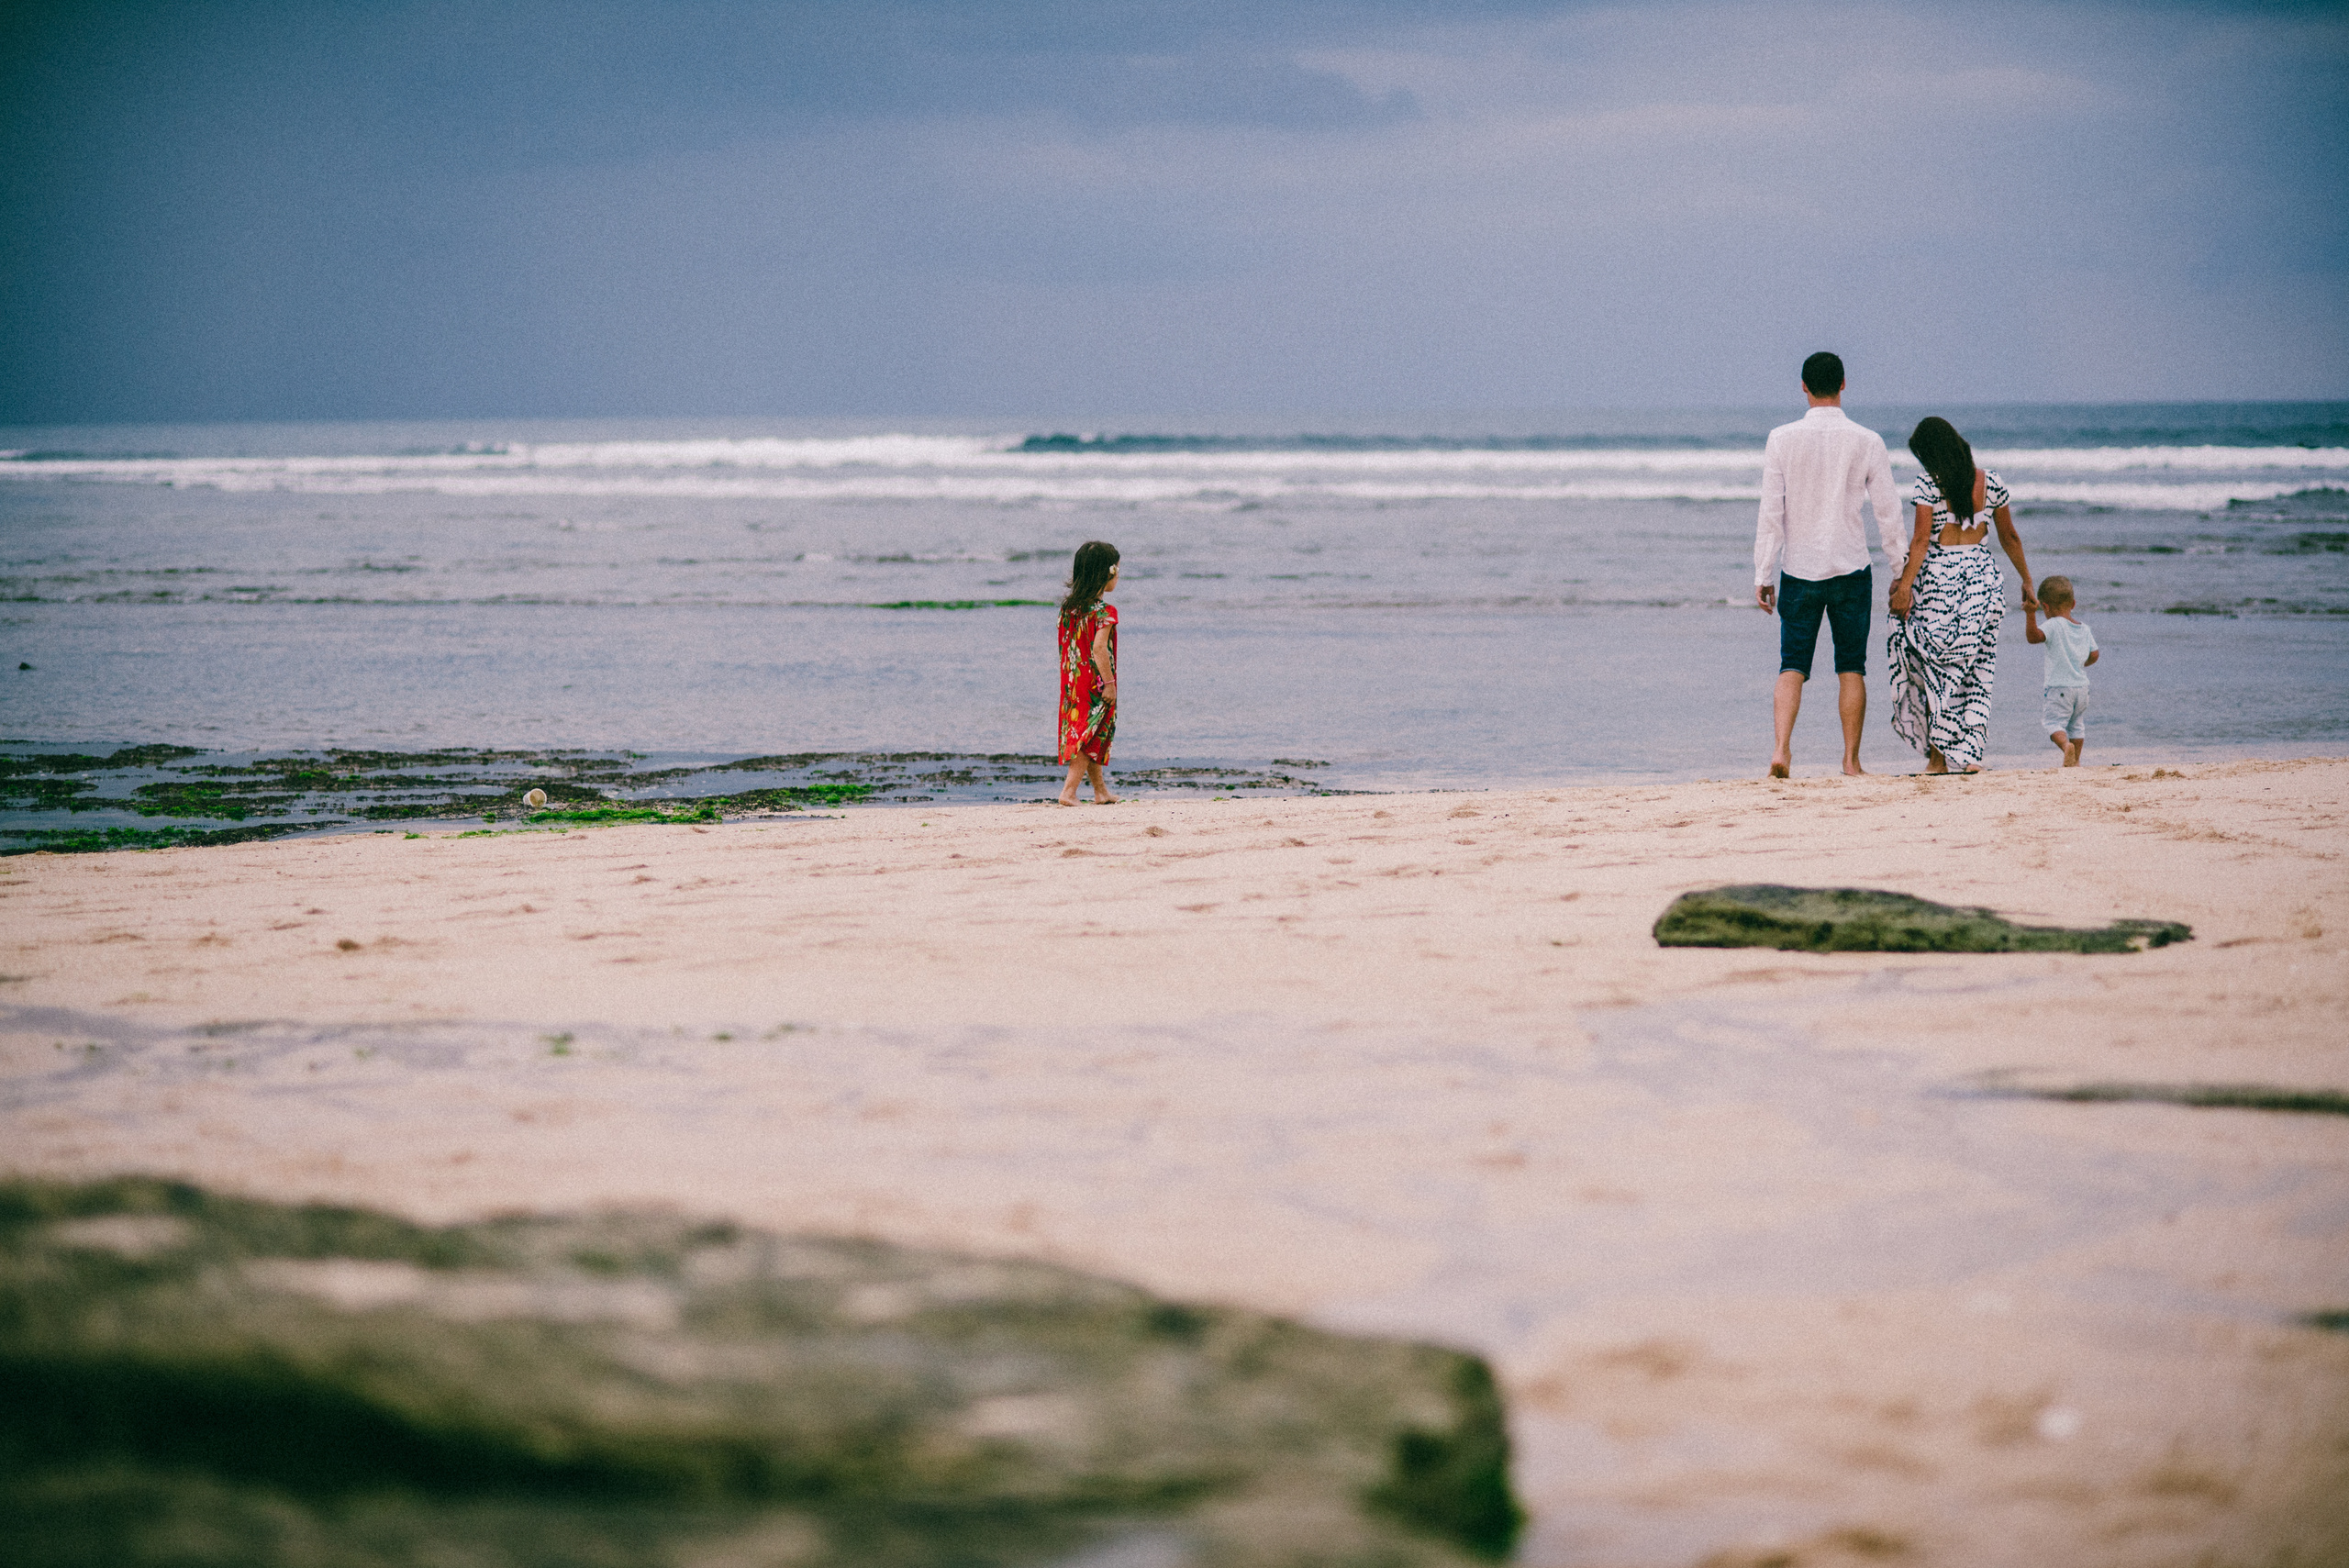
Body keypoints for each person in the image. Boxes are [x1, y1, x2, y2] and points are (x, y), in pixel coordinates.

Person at [1754, 350, 1902, 777]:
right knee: (1851, 666)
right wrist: (1899, 570)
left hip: (1799, 569)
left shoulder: (1781, 438)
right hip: (1851, 568)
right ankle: (1851, 761)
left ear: (1803, 386)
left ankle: (1781, 750)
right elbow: (1888, 512)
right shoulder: (1867, 440)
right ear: (1843, 384)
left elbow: (1771, 512)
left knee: (1792, 665)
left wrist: (1764, 572)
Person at [1886, 417, 2036, 773]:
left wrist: (1904, 585)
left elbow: (1920, 541)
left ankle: (1938, 759)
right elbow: (2010, 537)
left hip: (1938, 583)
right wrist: (2027, 580)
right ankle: (1969, 756)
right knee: (1977, 669)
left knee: (1935, 666)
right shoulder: (1992, 482)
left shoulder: (1927, 485)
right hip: (1982, 581)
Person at [1056, 540, 1120, 806]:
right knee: (1089, 735)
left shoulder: (1068, 610)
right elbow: (1099, 648)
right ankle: (1069, 791)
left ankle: (1100, 791)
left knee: (1092, 732)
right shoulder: (1105, 612)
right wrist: (1109, 683)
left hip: (1072, 682)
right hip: (1096, 683)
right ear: (1108, 573)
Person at [2025, 574, 2099, 766]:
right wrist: (2079, 664)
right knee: (2077, 725)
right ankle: (2075, 761)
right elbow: (2094, 654)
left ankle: (2066, 747)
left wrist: (2030, 614)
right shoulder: (2084, 628)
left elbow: (2033, 637)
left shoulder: (2053, 624)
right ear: (2073, 604)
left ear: (2045, 607)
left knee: (2053, 723)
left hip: (2059, 687)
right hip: (2082, 688)